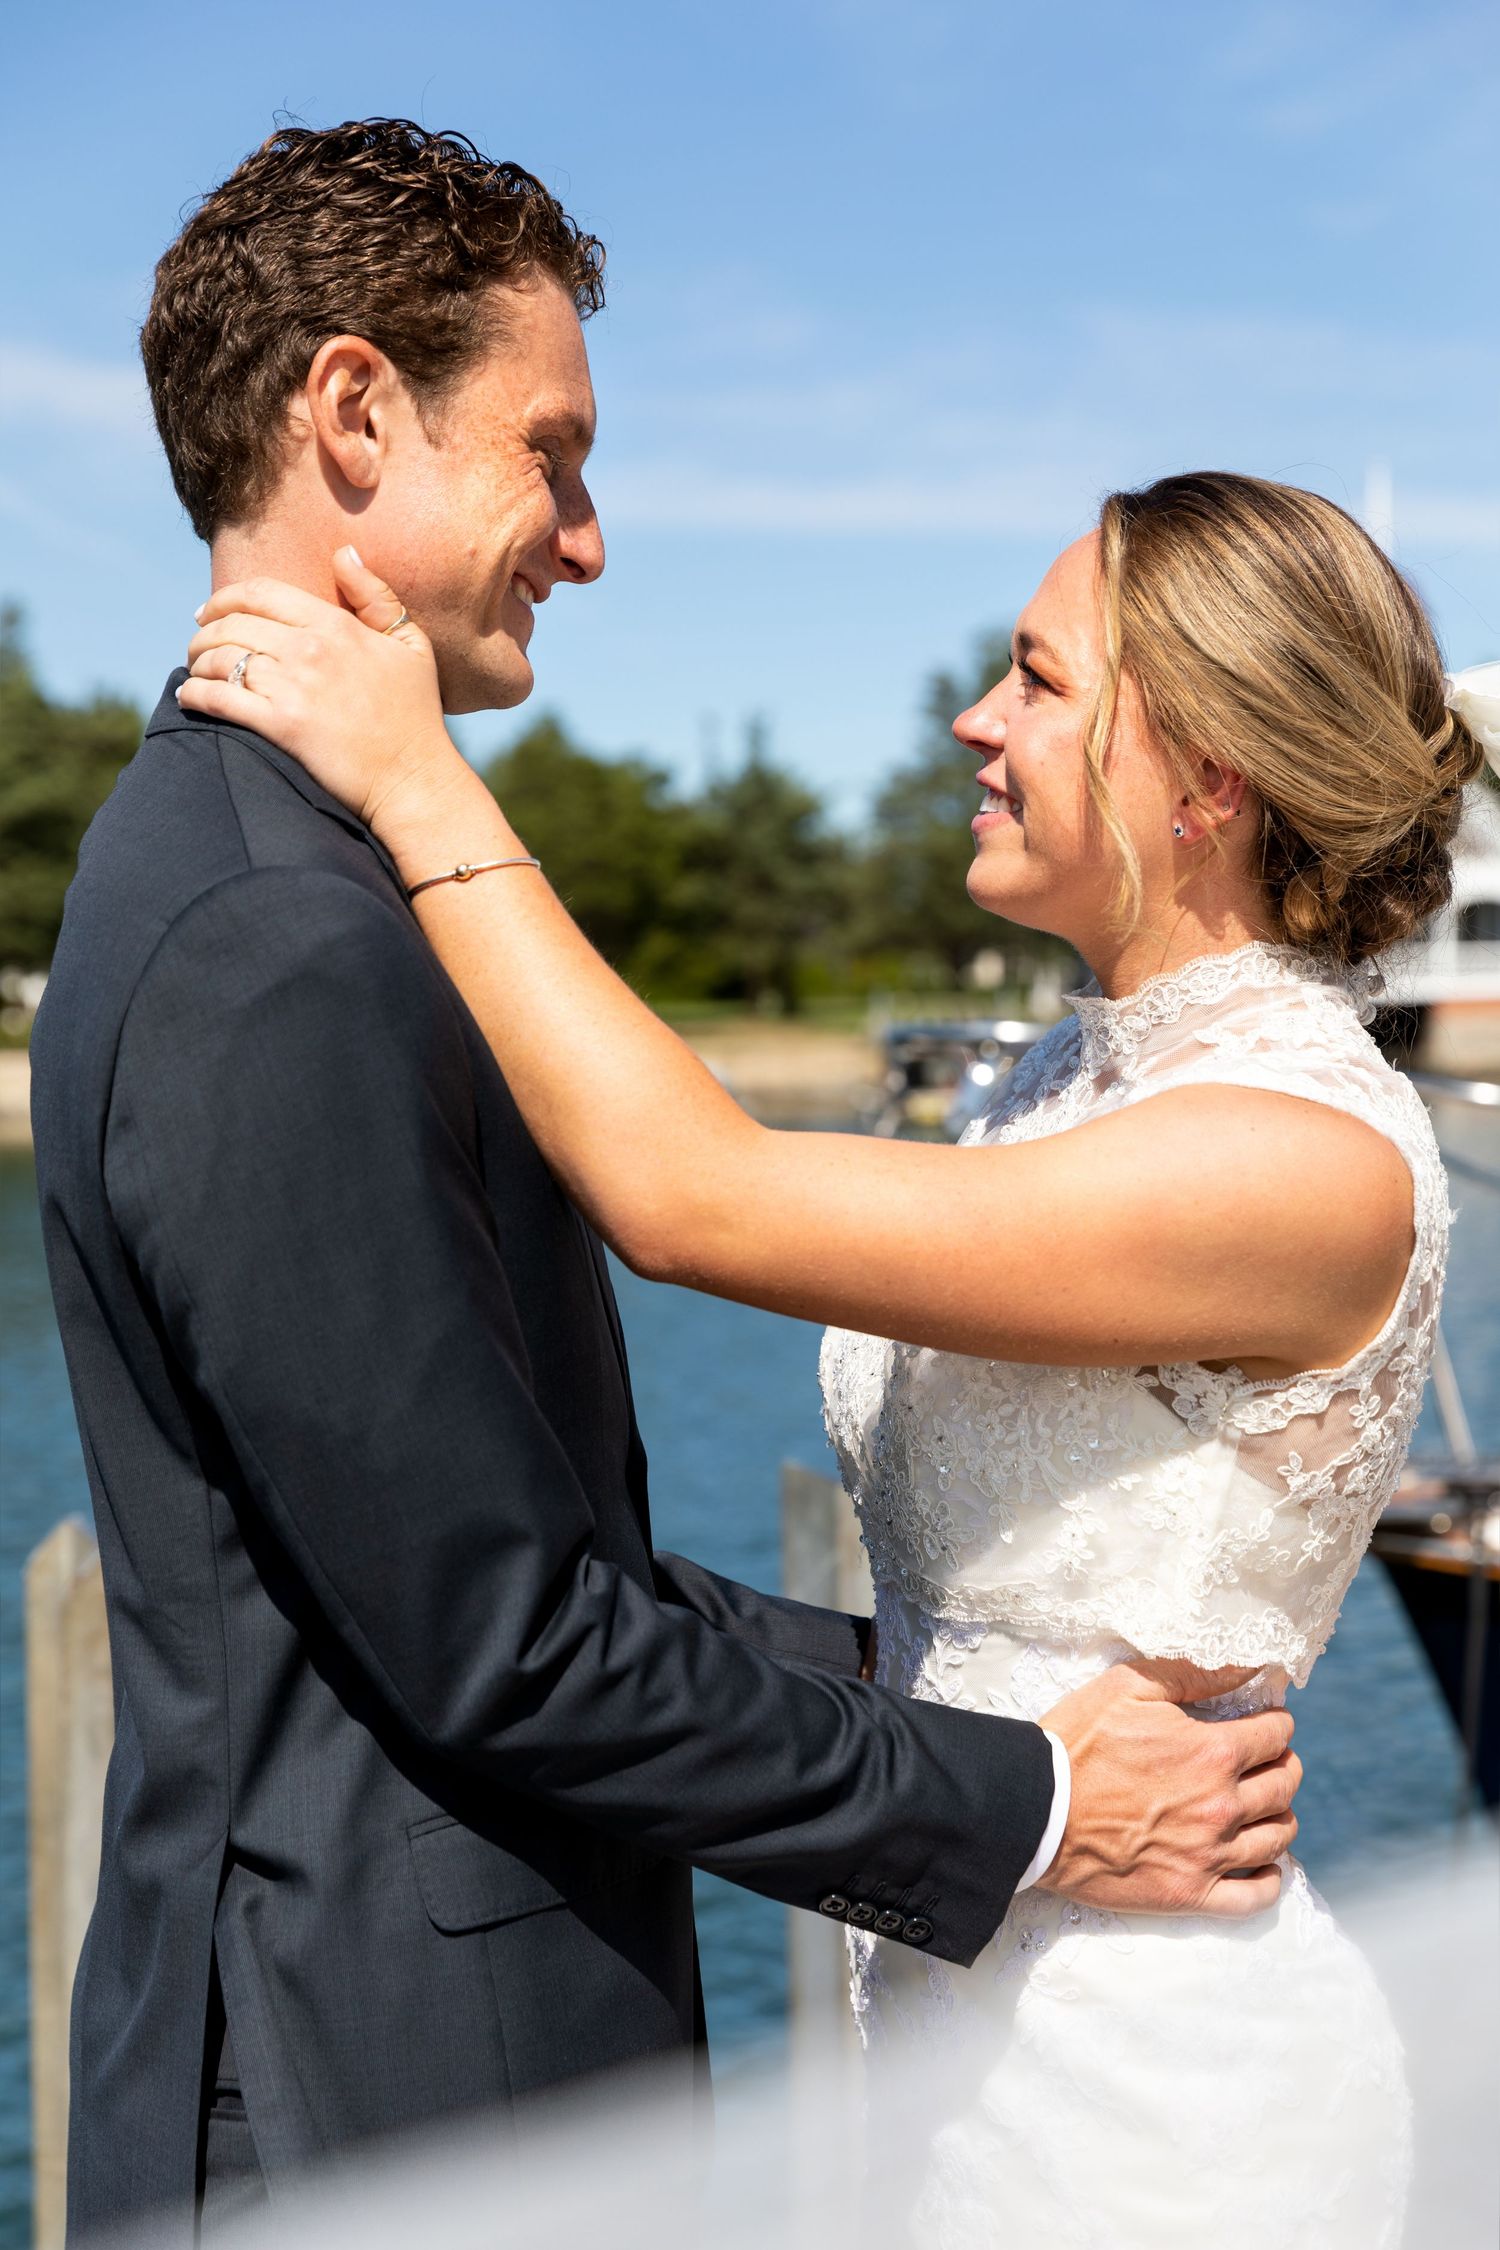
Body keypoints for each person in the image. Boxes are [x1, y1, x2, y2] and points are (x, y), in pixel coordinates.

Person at [28, 124, 1293, 2246]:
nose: (590, 540)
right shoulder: (277, 936)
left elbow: (535, 1561)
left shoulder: (292, 875)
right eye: (554, 451)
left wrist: (952, 1689)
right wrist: (1049, 1803)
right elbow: (511, 1648)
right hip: (396, 2118)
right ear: (352, 412)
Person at [182, 466, 1485, 2247]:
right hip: (965, 2023)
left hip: (1167, 2099)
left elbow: (690, 1197)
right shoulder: (1057, 1085)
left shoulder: (1299, 1154)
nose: (976, 715)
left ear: (1207, 777)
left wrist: (418, 782)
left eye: (1037, 676)